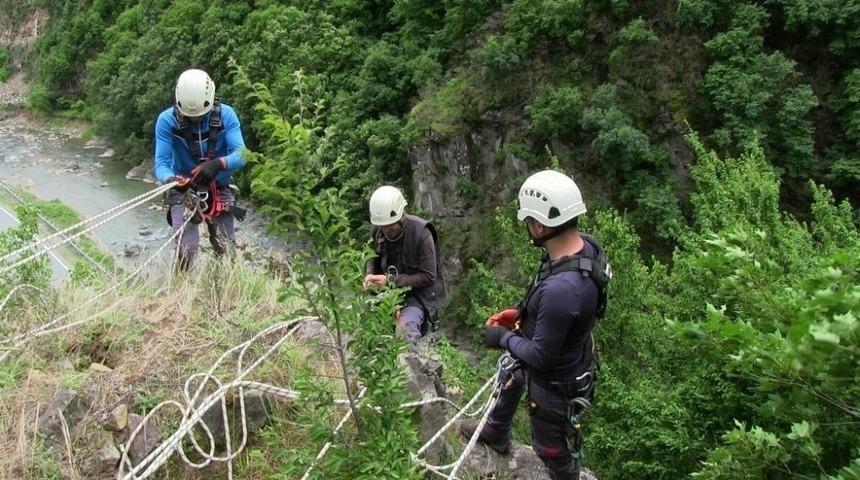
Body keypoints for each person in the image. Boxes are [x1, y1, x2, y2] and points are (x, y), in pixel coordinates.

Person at [461, 170, 611, 480]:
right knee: (512, 372)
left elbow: (541, 356)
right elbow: (555, 307)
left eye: (528, 221)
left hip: (556, 386)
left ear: (540, 225)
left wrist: (501, 337)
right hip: (570, 351)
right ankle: (497, 430)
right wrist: (520, 314)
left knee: (551, 451)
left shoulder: (564, 290)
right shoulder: (585, 249)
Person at [153, 69, 247, 269]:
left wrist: (218, 164)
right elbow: (161, 162)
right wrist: (170, 180)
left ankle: (226, 288)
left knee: (226, 245)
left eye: (200, 116)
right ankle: (182, 288)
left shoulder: (226, 116)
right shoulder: (167, 121)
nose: (195, 120)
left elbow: (242, 155)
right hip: (184, 187)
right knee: (187, 248)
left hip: (219, 184)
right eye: (189, 116)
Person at [364, 185, 446, 344]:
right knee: (370, 331)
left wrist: (389, 281)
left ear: (401, 216)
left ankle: (411, 365)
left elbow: (428, 277)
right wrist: (370, 274)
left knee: (405, 333)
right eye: (383, 226)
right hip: (387, 293)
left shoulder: (422, 233)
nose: (386, 231)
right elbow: (371, 256)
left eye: (391, 226)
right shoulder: (377, 230)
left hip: (417, 296)